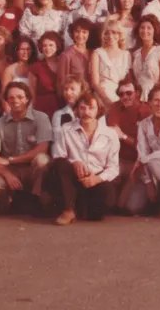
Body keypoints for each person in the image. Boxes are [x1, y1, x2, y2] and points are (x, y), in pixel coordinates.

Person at [50, 93, 120, 225]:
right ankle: (68, 210)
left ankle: (80, 207)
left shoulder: (110, 134)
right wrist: (74, 163)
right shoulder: (66, 129)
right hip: (73, 178)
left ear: (99, 110)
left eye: (91, 108)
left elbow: (113, 167)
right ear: (76, 110)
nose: (86, 112)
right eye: (82, 108)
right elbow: (58, 155)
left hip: (96, 178)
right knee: (60, 164)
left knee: (97, 212)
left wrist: (97, 179)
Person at [0, 82, 54, 208]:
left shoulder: (41, 118)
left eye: (20, 97)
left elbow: (42, 149)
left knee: (42, 160)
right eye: (11, 98)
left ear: (27, 99)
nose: (15, 101)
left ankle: (35, 199)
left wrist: (10, 160)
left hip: (33, 168)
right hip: (12, 171)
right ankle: (13, 201)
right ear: (7, 101)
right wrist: (7, 175)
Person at [122, 86, 160, 216]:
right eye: (156, 100)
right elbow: (142, 152)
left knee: (154, 162)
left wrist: (142, 161)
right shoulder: (144, 124)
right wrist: (148, 182)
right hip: (150, 170)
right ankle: (155, 200)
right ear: (149, 103)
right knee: (133, 207)